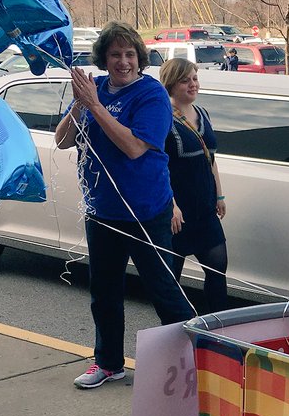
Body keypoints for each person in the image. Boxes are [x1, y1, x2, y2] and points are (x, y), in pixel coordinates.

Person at [55, 21, 192, 389]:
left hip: (146, 210)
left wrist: (96, 106)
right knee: (104, 293)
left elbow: (133, 147)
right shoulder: (95, 88)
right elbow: (63, 140)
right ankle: (108, 362)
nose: (123, 61)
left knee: (163, 290)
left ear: (139, 58)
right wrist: (79, 106)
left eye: (129, 54)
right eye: (115, 54)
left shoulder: (151, 95)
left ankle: (195, 363)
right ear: (104, 58)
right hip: (102, 212)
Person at [160, 58, 229, 313]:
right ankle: (174, 329)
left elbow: (211, 158)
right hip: (178, 213)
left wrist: (219, 195)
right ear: (171, 83)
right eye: (185, 80)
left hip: (205, 208)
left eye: (195, 79)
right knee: (170, 279)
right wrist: (172, 206)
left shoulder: (202, 114)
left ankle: (216, 328)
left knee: (217, 268)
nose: (193, 85)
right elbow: (158, 165)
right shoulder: (163, 118)